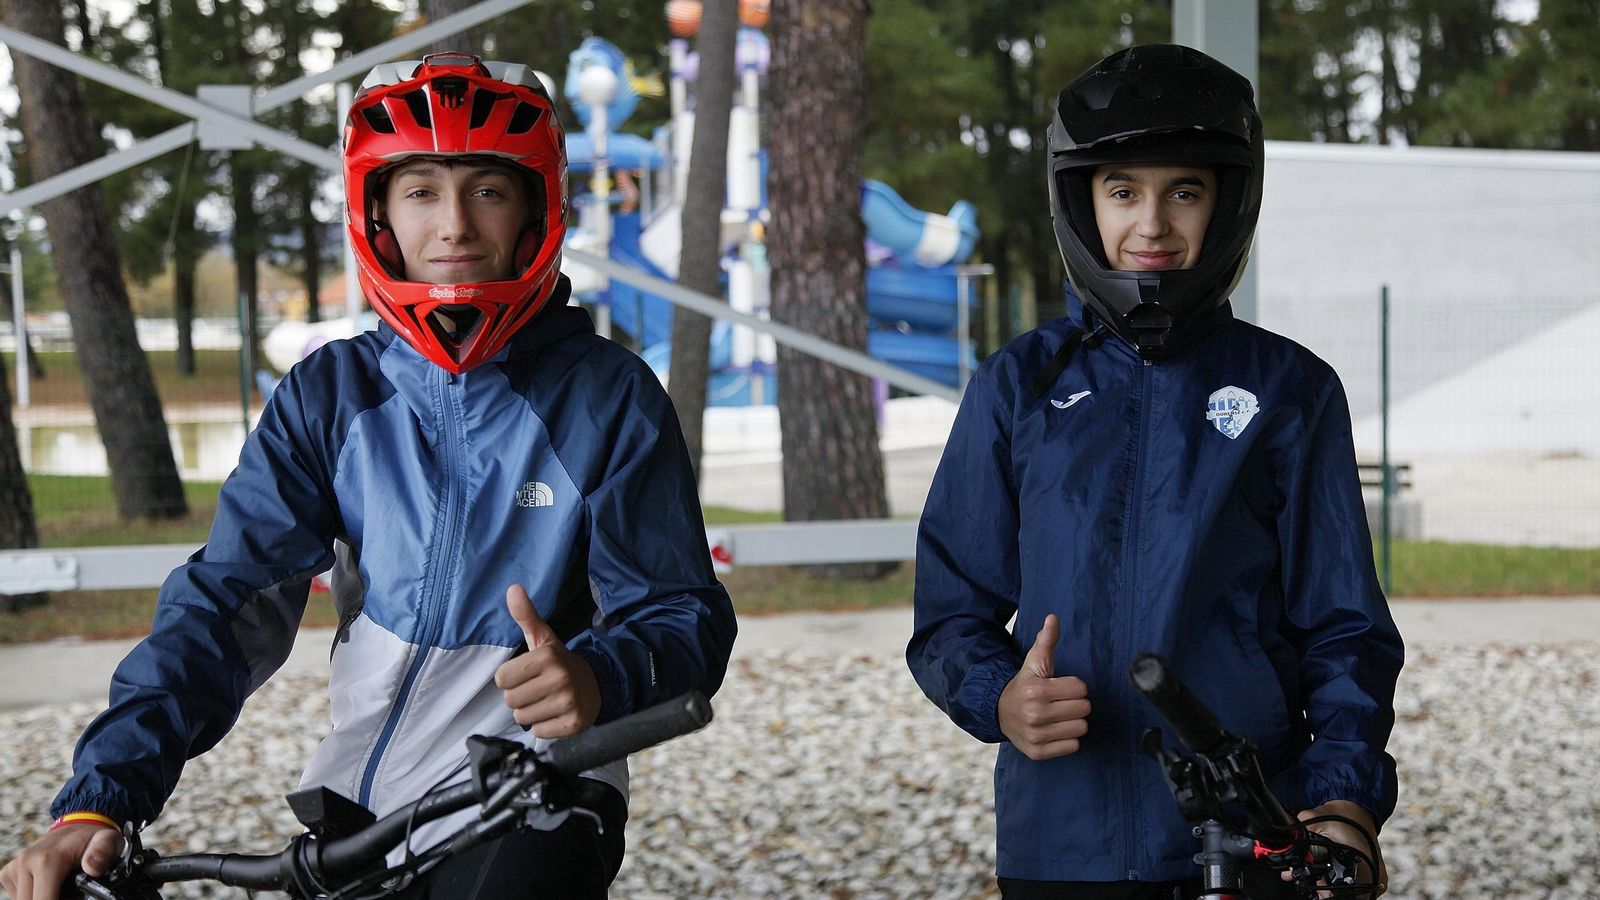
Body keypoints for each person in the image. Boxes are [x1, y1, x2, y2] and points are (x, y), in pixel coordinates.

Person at [1, 54, 736, 900]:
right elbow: (223, 602)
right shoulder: (329, 394)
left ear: (536, 206)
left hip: (539, 796)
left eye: (487, 190)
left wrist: (602, 675)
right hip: (362, 803)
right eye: (421, 191)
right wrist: (98, 804)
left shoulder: (609, 397)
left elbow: (685, 615)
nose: (455, 225)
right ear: (377, 213)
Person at [906, 44, 1403, 899]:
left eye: (1185, 191)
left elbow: (1346, 631)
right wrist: (999, 700)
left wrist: (1344, 802)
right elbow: (951, 615)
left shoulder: (1291, 391)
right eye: (1123, 190)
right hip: (1061, 845)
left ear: (1228, 203)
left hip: (1252, 842)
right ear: (1081, 200)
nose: (1153, 225)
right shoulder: (1019, 387)